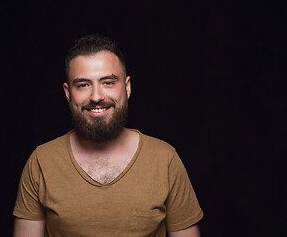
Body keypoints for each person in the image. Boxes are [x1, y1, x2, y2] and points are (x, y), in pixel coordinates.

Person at [13, 34, 203, 237]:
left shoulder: (165, 160)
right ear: (68, 93)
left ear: (127, 87)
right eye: (83, 85)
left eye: (108, 82)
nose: (96, 96)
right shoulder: (41, 162)